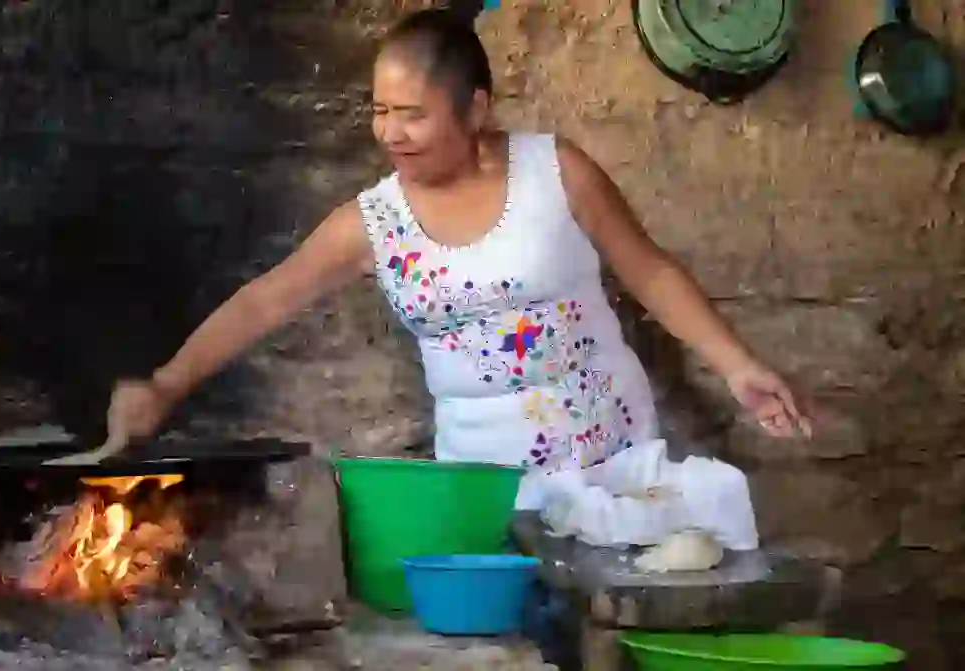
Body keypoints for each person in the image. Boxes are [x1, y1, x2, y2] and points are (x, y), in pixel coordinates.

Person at [90, 9, 812, 498]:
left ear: (475, 108)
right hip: (482, 489)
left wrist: (738, 364)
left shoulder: (556, 171)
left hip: (613, 461)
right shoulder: (373, 222)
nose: (391, 133)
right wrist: (166, 382)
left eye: (413, 114)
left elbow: (649, 269)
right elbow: (264, 301)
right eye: (380, 111)